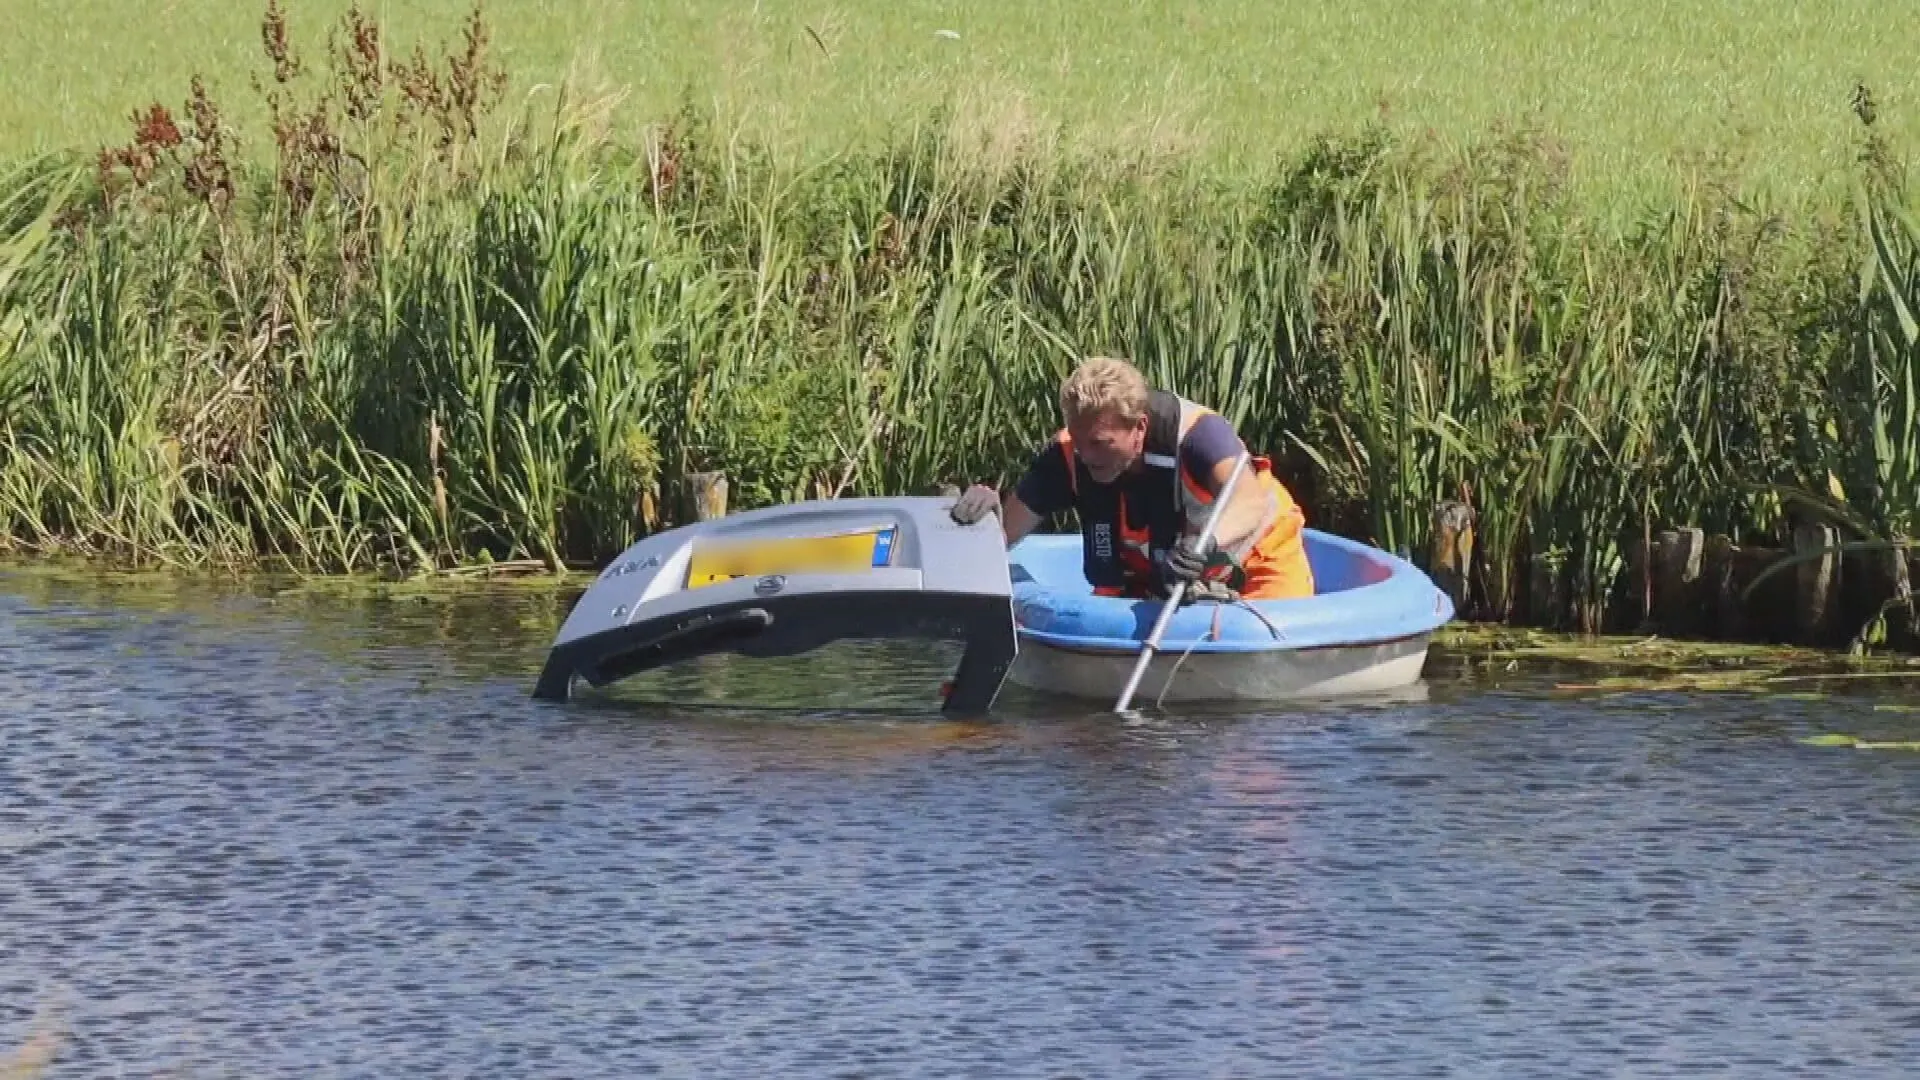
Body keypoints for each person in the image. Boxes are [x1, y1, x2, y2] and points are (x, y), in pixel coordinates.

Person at [950, 356, 1315, 602]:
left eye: (1099, 443)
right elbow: (1002, 536)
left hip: (1256, 554)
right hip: (1165, 571)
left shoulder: (1199, 435)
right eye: (1078, 440)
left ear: (1139, 427)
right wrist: (982, 518)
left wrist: (1204, 546)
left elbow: (1251, 503)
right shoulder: (1067, 455)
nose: (1085, 456)